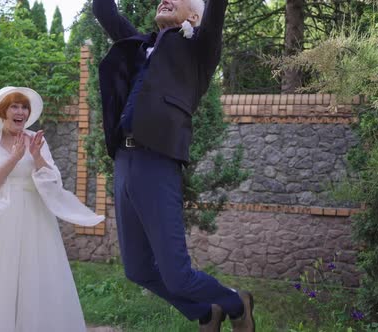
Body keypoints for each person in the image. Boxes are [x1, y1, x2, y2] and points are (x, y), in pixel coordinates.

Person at [92, 0, 255, 331]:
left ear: (194, 17)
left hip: (157, 159)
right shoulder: (140, 44)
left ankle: (237, 302)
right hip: (123, 161)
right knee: (137, 270)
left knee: (178, 276)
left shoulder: (200, 51)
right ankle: (206, 313)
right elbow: (103, 11)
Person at [0, 87, 104, 332]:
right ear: (2, 112)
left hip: (35, 219)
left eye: (24, 107)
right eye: (14, 106)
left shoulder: (37, 141)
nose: (20, 112)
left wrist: (36, 156)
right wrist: (14, 157)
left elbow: (53, 183)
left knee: (35, 280)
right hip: (0, 221)